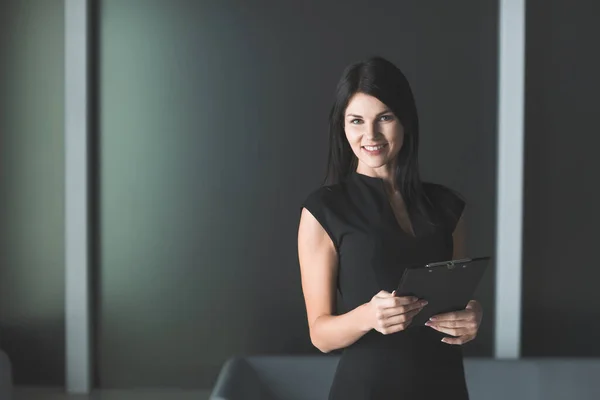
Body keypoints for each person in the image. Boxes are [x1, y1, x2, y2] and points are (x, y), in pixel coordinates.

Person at [297, 56, 483, 399]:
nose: (371, 135)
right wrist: (368, 315)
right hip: (367, 389)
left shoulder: (448, 206)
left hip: (444, 388)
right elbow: (320, 335)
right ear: (343, 127)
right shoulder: (324, 210)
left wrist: (472, 315)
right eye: (356, 121)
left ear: (405, 121)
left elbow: (459, 297)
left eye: (385, 117)